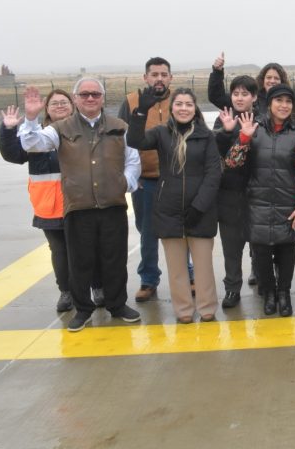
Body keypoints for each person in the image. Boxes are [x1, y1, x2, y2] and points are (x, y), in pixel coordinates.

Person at [19, 80, 141, 332]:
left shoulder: (119, 127)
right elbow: (32, 144)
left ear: (103, 98)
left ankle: (117, 305)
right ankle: (83, 309)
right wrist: (30, 118)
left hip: (113, 205)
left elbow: (132, 158)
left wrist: (125, 183)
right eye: (84, 94)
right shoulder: (60, 128)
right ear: (75, 99)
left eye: (95, 94)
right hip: (78, 207)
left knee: (114, 259)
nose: (90, 98)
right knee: (80, 261)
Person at [0, 91, 104, 312]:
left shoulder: (84, 130)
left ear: (73, 105)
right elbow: (13, 155)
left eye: (63, 102)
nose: (59, 106)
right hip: (50, 205)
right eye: (53, 103)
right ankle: (66, 292)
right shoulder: (35, 135)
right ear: (46, 108)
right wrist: (8, 130)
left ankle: (97, 287)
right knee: (60, 252)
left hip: (81, 202)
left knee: (90, 248)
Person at [127, 88, 222, 323]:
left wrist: (199, 207)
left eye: (188, 104)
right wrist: (141, 112)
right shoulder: (161, 133)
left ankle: (207, 307)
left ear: (195, 108)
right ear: (172, 108)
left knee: (203, 266)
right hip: (169, 210)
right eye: (178, 104)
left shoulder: (206, 136)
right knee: (176, 267)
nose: (183, 108)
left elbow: (213, 174)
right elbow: (135, 140)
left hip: (201, 211)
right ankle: (184, 311)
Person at [224, 84, 295, 317]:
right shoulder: (254, 127)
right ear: (269, 104)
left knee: (286, 250)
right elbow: (232, 162)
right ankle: (269, 293)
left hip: (288, 203)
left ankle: (284, 293)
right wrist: (244, 137)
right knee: (260, 251)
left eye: (288, 101)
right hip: (257, 202)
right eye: (278, 101)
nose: (283, 106)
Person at [117, 57, 180, 303]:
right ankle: (149, 279)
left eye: (164, 74)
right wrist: (133, 176)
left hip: (175, 180)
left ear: (171, 77)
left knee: (180, 231)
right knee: (147, 233)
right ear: (146, 77)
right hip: (146, 181)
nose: (159, 78)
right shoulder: (132, 102)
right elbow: (122, 141)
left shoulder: (180, 100)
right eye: (154, 74)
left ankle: (189, 274)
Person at [214, 75, 259, 308]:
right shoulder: (223, 119)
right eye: (235, 94)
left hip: (257, 193)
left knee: (259, 243)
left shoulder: (262, 120)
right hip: (229, 194)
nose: (239, 98)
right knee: (231, 247)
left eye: (245, 94)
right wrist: (225, 132)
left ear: (254, 97)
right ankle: (232, 288)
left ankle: (262, 279)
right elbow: (215, 154)